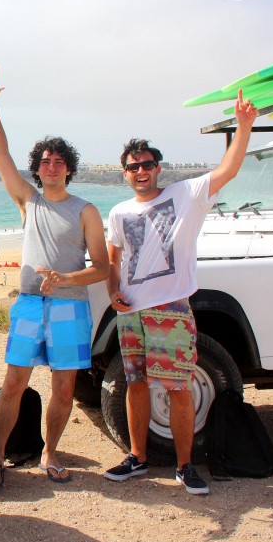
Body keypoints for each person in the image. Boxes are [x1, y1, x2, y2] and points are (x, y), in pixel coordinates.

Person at [103, 89, 258, 496]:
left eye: (147, 165)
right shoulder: (119, 212)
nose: (141, 171)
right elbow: (113, 255)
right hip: (131, 312)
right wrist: (112, 290)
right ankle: (137, 458)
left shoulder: (186, 195)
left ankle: (186, 466)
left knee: (177, 387)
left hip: (170, 309)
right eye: (133, 167)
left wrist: (244, 126)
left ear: (158, 168)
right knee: (134, 384)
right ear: (125, 173)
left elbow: (228, 170)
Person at [0, 66, 109, 482]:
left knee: (64, 388)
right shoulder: (28, 202)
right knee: (13, 382)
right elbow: (0, 154)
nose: (52, 166)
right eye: (45, 161)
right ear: (38, 168)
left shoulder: (85, 210)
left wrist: (67, 279)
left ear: (69, 169)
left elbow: (103, 267)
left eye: (59, 161)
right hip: (30, 304)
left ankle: (51, 453)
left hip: (70, 307)